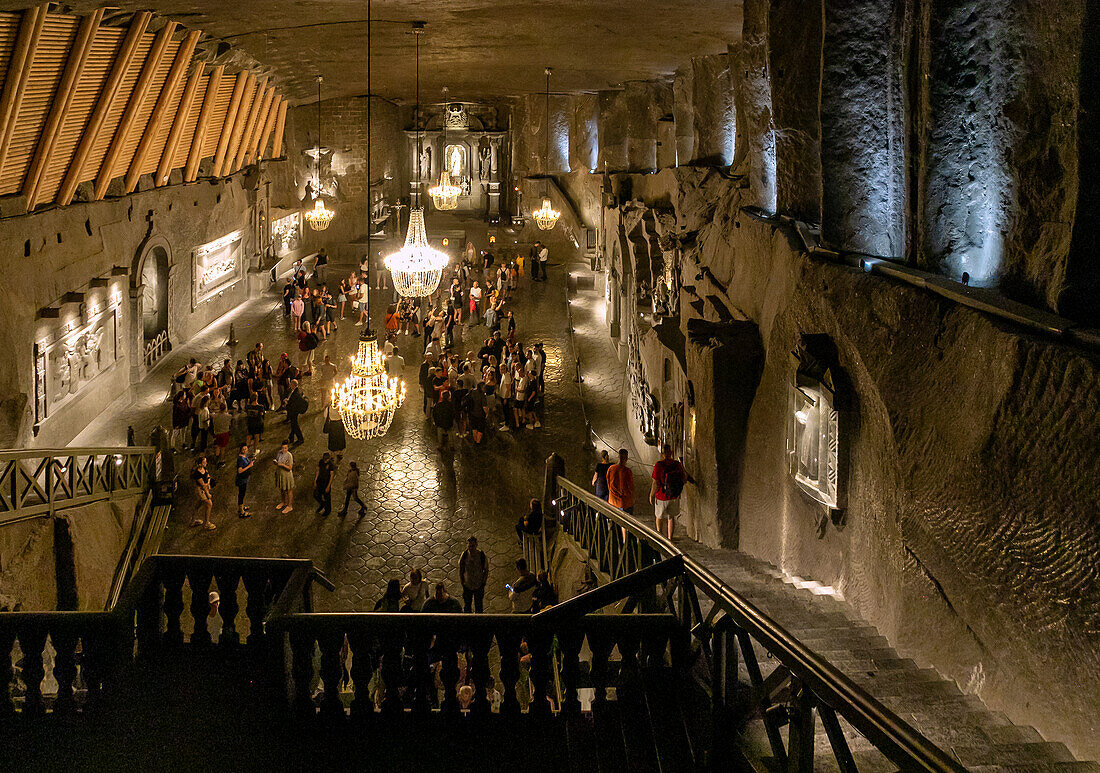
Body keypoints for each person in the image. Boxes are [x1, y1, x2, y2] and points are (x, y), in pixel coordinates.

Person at [650, 442, 690, 540]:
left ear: (662, 453)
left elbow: (655, 482)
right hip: (673, 496)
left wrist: (651, 495)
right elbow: (684, 479)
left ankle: (660, 538)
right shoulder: (677, 464)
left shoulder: (658, 465)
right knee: (671, 518)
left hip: (661, 496)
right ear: (671, 453)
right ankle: (670, 539)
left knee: (659, 517)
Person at [459, 536, 488, 613]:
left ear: (476, 545)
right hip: (467, 584)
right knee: (467, 606)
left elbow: (486, 569)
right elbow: (461, 568)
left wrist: (483, 582)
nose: (471, 548)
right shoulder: (464, 555)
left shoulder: (481, 555)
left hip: (478, 585)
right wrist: (462, 581)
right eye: (469, 546)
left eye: (472, 546)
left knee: (478, 606)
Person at [606, 448, 635, 514]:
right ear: (627, 458)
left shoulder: (611, 468)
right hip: (624, 503)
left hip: (612, 501)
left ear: (618, 456)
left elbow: (608, 483)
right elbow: (630, 487)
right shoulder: (627, 471)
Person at [191, 456, 215, 530]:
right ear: (200, 464)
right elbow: (203, 486)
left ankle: (193, 521)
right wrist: (208, 494)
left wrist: (207, 482)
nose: (206, 463)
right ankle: (206, 524)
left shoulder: (204, 469)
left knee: (198, 505)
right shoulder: (197, 473)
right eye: (204, 462)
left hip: (203, 489)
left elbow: (208, 476)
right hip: (200, 491)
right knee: (209, 504)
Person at [285, 380, 307, 446]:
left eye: (291, 384)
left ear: (293, 385)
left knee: (295, 425)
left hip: (294, 411)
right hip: (295, 410)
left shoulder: (295, 393)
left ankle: (300, 439)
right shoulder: (297, 391)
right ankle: (291, 437)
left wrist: (287, 403)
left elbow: (293, 404)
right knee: (293, 424)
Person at [273, 442, 294, 513]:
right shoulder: (279, 453)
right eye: (283, 448)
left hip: (287, 475)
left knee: (289, 490)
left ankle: (289, 505)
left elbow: (290, 467)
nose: (284, 449)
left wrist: (281, 465)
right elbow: (277, 460)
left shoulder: (289, 455)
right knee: (282, 489)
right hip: (280, 474)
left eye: (285, 448)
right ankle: (283, 502)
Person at [235, 444, 254, 518]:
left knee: (242, 493)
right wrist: (249, 466)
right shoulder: (240, 459)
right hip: (241, 480)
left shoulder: (244, 456)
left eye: (246, 449)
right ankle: (241, 511)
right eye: (244, 449)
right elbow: (240, 471)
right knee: (241, 494)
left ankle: (241, 506)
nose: (246, 450)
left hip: (245, 479)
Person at [211, 404, 232, 468]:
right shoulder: (228, 416)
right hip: (225, 433)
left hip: (217, 433)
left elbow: (211, 415)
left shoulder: (215, 416)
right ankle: (221, 460)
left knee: (218, 445)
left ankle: (216, 456)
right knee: (223, 448)